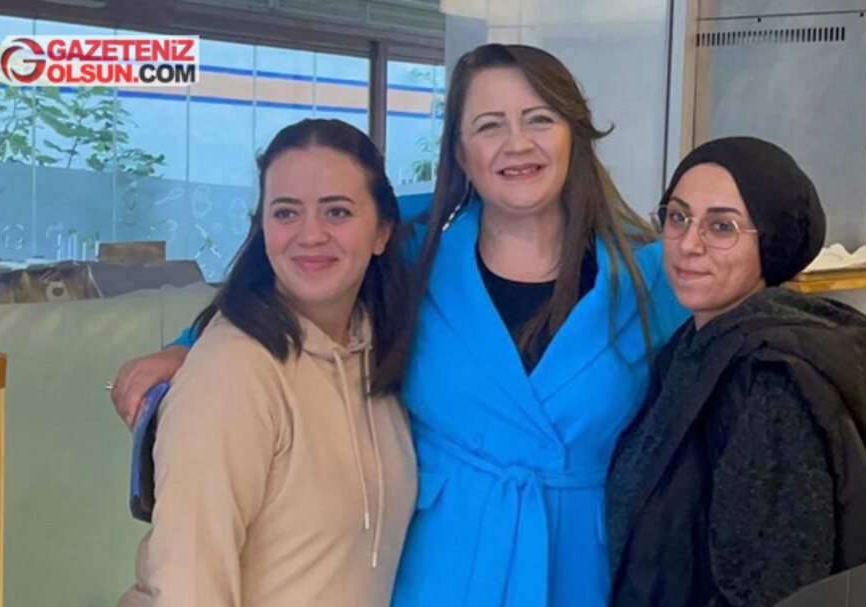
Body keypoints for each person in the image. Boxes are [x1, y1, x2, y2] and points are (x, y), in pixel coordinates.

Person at [112, 44, 688, 606]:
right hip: (438, 569)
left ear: (574, 135)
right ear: (461, 154)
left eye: (539, 119)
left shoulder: (651, 276)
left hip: (580, 567)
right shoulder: (417, 248)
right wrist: (185, 346)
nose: (517, 143)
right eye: (489, 125)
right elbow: (305, 256)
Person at [117, 119, 417, 607]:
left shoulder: (374, 353)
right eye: (286, 212)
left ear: (382, 231)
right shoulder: (233, 371)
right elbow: (189, 585)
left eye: (337, 211)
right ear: (263, 227)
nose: (310, 234)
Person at [606, 137, 866, 607]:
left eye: (721, 227)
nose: (689, 244)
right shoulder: (693, 348)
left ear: (770, 242)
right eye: (678, 217)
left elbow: (768, 588)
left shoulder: (768, 382)